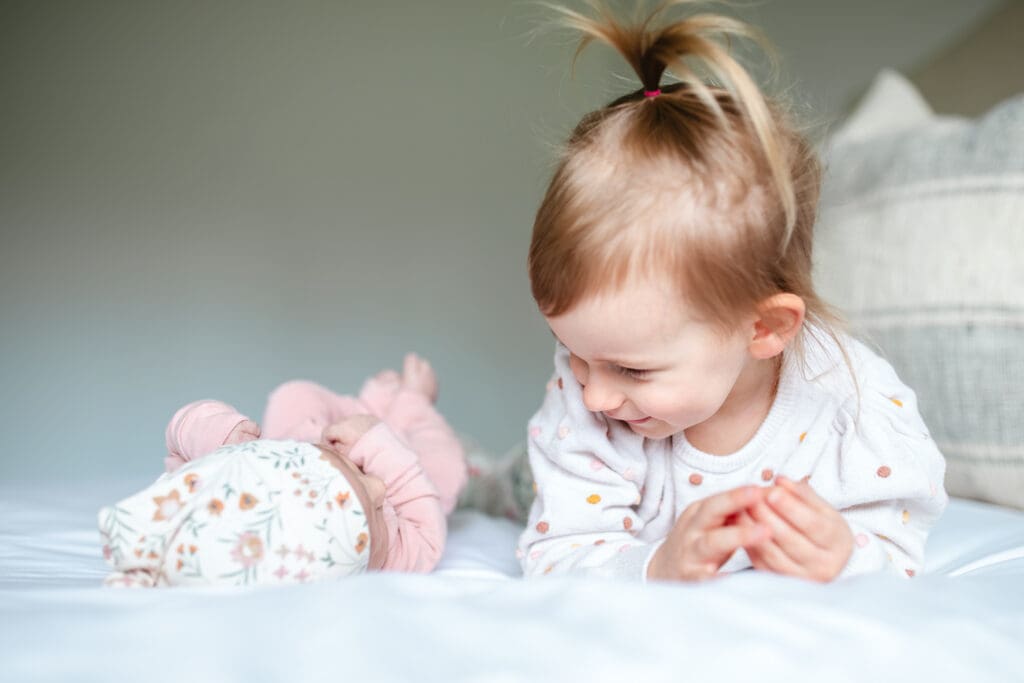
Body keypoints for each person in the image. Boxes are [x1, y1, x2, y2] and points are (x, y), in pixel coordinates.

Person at [517, 2, 947, 582]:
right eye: (572, 351)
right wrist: (653, 565)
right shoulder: (583, 406)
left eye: (633, 371)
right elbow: (556, 553)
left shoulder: (852, 405)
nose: (595, 396)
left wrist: (850, 556)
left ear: (763, 329)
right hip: (542, 471)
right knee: (504, 486)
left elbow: (901, 547)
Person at [99, 354, 467, 587]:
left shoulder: (236, 481)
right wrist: (378, 437)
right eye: (374, 513)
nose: (379, 488)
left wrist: (219, 434)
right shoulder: (389, 556)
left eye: (358, 477)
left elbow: (180, 446)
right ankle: (411, 404)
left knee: (292, 397)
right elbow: (428, 530)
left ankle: (369, 406)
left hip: (307, 442)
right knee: (447, 469)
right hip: (407, 465)